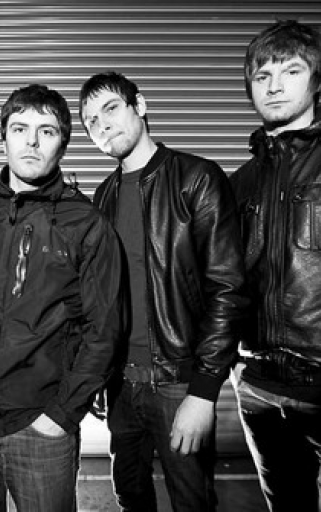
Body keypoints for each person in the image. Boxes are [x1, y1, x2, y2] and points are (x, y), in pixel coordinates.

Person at [0, 83, 125, 512]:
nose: (31, 142)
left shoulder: (86, 224)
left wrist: (62, 414)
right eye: (19, 129)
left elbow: (105, 330)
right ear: (3, 137)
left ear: (63, 143)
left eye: (47, 131)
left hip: (41, 429)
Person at [79, 71, 248, 512]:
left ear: (140, 105)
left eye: (111, 109)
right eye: (91, 121)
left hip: (179, 383)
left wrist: (204, 390)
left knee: (192, 502)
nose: (102, 125)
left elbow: (227, 289)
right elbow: (101, 297)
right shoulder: (103, 196)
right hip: (120, 385)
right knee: (130, 497)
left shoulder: (196, 179)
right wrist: (98, 374)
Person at [229, 20, 321, 512]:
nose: (275, 85)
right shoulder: (238, 184)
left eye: (291, 71)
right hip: (259, 389)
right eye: (262, 76)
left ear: (316, 80)